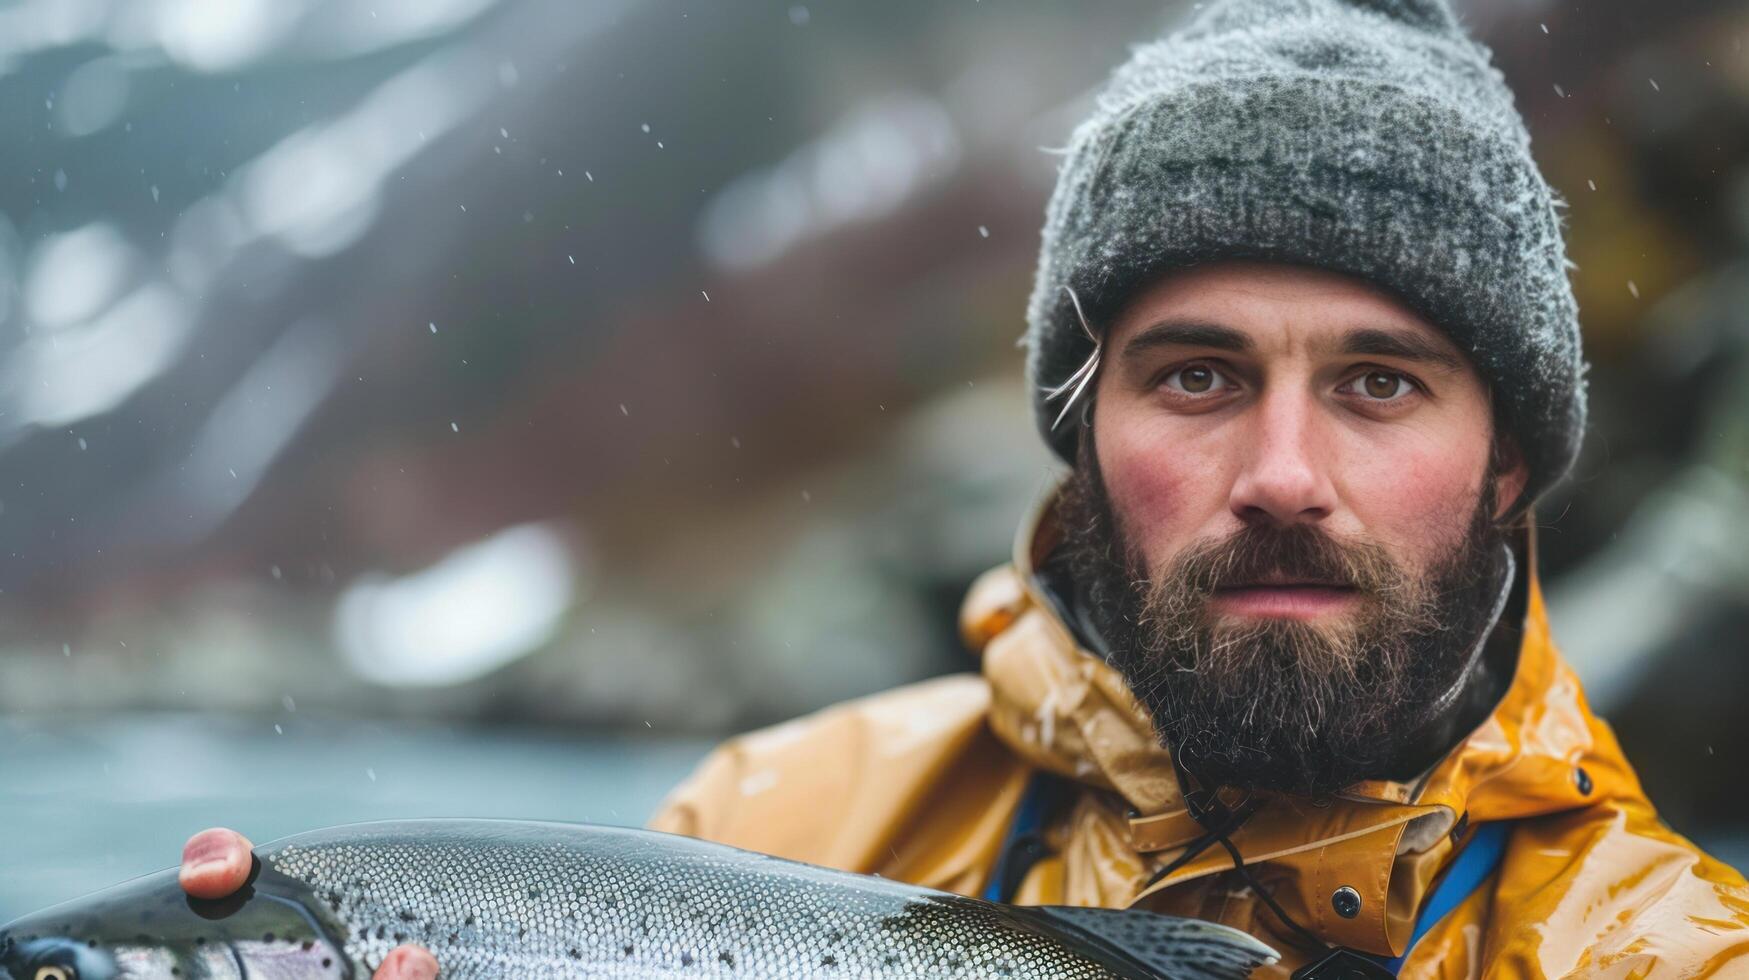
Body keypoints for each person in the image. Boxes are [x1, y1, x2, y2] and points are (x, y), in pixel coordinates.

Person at [177, 0, 1749, 975]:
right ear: (1077, 435)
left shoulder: (1677, 959)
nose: (1281, 475)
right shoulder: (767, 831)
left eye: (1378, 385)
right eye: (1195, 376)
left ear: (1512, 467)